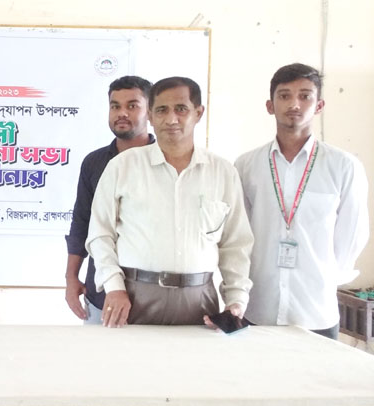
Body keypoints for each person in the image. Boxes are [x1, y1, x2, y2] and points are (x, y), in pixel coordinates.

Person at [86, 76, 254, 327]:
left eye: (181, 109)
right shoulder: (123, 166)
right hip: (133, 296)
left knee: (196, 355)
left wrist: (236, 299)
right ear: (150, 116)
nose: (171, 119)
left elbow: (235, 243)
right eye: (162, 110)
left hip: (200, 299)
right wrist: (114, 286)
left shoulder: (222, 172)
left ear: (198, 113)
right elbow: (100, 233)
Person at [235, 63, 368, 339]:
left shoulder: (343, 166)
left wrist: (322, 278)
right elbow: (239, 235)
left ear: (319, 106)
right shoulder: (247, 165)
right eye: (284, 95)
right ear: (270, 106)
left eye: (305, 96)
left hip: (315, 310)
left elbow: (351, 236)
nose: (294, 104)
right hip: (259, 308)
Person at [65, 75, 154, 323]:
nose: (121, 113)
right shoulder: (94, 163)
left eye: (132, 106)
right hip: (101, 294)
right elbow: (82, 222)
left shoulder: (166, 162)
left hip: (153, 298)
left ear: (150, 112)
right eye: (115, 106)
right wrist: (71, 277)